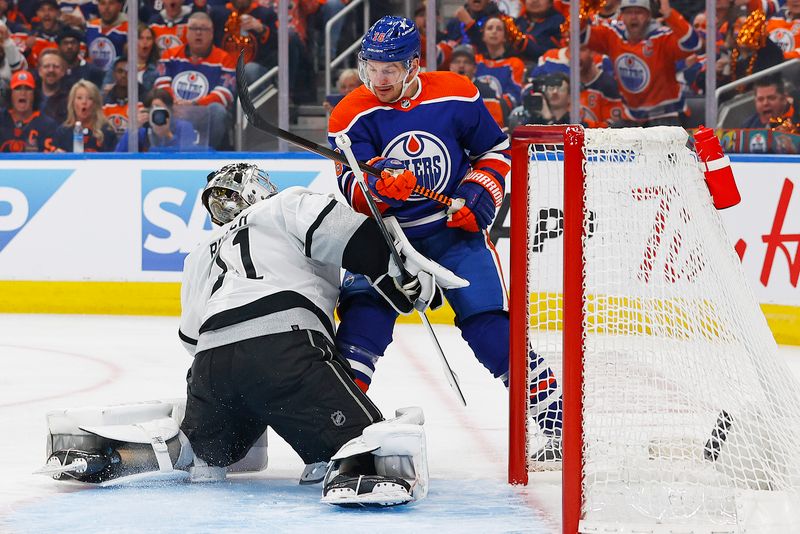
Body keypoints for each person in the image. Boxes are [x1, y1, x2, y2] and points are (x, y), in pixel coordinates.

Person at [42, 163, 434, 508]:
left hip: (211, 367)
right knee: (357, 441)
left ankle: (125, 453)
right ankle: (353, 470)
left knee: (207, 454)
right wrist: (398, 271)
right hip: (285, 347)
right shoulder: (285, 204)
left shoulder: (201, 252)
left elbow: (191, 337)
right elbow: (345, 233)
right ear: (259, 189)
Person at [328, 15, 563, 460]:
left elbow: (494, 152)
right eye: (371, 68)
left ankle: (558, 422)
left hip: (453, 235)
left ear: (413, 66)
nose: (378, 79)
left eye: (390, 69)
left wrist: (478, 195)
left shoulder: (456, 93)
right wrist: (376, 190)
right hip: (385, 239)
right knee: (362, 325)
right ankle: (335, 432)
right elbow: (348, 184)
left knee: (491, 330)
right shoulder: (350, 114)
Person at [582, 0, 702, 125]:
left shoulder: (661, 37)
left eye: (639, 12)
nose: (633, 17)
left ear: (648, 15)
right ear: (621, 16)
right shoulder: (613, 36)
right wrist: (583, 8)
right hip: (632, 116)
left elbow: (693, 43)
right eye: (629, 12)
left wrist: (669, 14)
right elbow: (580, 35)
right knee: (611, 140)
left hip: (666, 113)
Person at [155, 12, 235, 149]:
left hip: (204, 116)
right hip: (174, 111)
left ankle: (207, 153)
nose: (198, 33)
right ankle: (164, 151)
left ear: (211, 33)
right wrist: (174, 102)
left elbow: (224, 94)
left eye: (203, 29)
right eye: (193, 28)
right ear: (186, 32)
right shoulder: (170, 55)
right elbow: (160, 84)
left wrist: (194, 104)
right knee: (158, 107)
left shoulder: (225, 59)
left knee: (218, 110)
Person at [115, 88, 202, 152]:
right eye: (152, 108)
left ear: (169, 109)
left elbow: (189, 156)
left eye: (159, 107)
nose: (156, 111)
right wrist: (133, 129)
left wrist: (168, 135)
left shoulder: (183, 127)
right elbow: (119, 155)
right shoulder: (143, 130)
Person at [449, 43, 511, 127]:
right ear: (450, 67)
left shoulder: (487, 93)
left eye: (466, 62)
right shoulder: (442, 92)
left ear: (474, 68)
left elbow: (495, 129)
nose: (461, 66)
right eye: (457, 62)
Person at [0, 70, 57, 152]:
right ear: (10, 94)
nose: (23, 93)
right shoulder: (2, 119)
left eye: (28, 89)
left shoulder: (48, 126)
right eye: (17, 88)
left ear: (34, 95)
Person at [54, 79, 117, 151]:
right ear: (72, 103)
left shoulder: (106, 132)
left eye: (89, 98)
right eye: (79, 98)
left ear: (96, 104)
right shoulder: (62, 132)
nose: (84, 102)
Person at [85, 0, 127, 72]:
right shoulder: (91, 26)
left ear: (120, 6)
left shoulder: (128, 29)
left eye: (111, 3)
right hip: (92, 76)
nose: (106, 8)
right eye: (102, 3)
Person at [36, 48, 70, 125]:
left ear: (63, 71)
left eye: (56, 66)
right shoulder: (30, 96)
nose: (51, 70)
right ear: (40, 71)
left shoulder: (70, 99)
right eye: (46, 66)